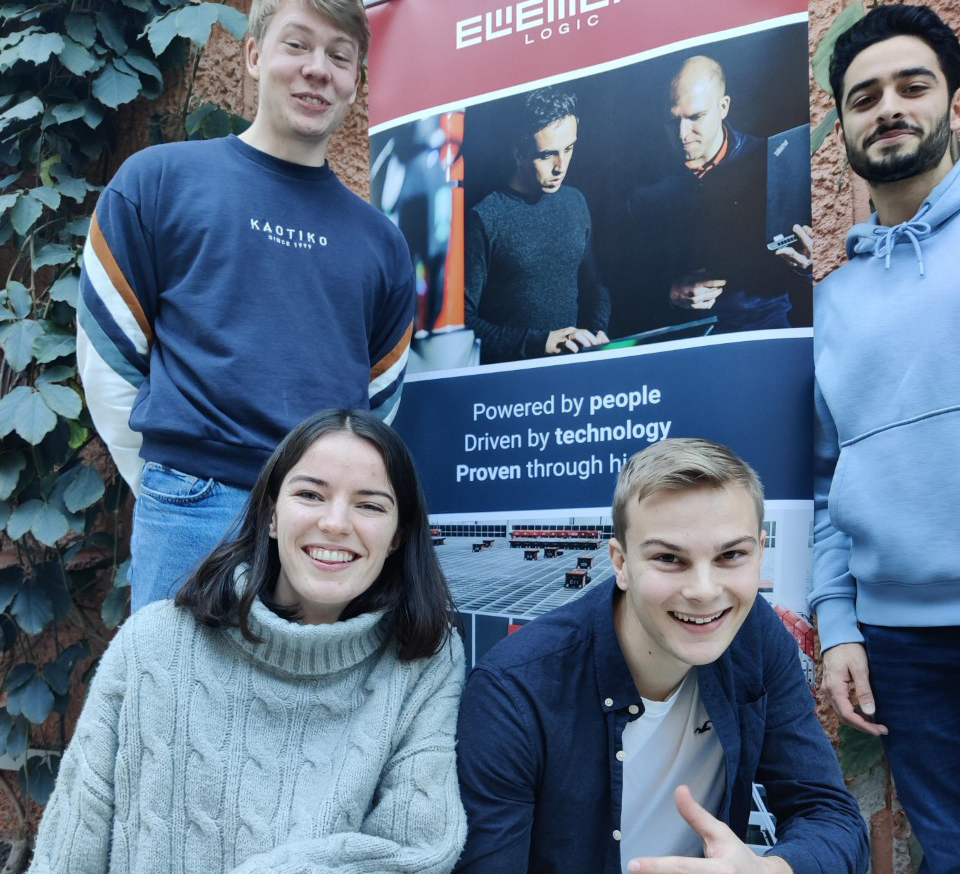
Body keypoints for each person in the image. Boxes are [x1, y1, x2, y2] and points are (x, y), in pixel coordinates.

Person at [76, 0, 415, 610]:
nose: (318, 69)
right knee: (171, 709)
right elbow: (107, 358)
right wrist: (170, 476)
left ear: (355, 82)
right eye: (297, 45)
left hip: (324, 532)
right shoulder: (156, 183)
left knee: (309, 710)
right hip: (191, 510)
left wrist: (322, 499)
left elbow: (378, 404)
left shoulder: (382, 244)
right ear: (255, 55)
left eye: (340, 56)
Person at [28, 410, 466, 874]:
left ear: (398, 535)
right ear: (272, 515)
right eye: (310, 494)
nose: (336, 523)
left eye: (370, 505)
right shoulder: (153, 643)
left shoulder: (423, 662)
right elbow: (70, 846)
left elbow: (417, 850)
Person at [455, 438, 868, 874]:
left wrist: (773, 871)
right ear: (620, 563)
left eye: (731, 555)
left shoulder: (756, 636)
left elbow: (829, 813)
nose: (705, 591)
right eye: (669, 558)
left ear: (759, 552)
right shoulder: (514, 691)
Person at [811, 3, 960, 874]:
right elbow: (827, 484)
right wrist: (838, 625)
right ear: (845, 128)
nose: (888, 107)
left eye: (913, 85)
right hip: (899, 640)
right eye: (863, 96)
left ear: (950, 103)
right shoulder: (830, 304)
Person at [608, 56, 810, 336]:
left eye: (695, 117)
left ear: (723, 106)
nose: (681, 134)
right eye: (672, 120)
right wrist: (668, 293)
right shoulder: (639, 184)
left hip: (761, 325)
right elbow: (618, 275)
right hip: (674, 332)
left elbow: (805, 268)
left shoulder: (769, 162)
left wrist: (807, 265)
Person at [463, 87, 610, 364]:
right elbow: (464, 323)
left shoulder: (575, 202)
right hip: (512, 389)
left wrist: (598, 332)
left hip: (574, 373)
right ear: (519, 154)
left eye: (569, 149)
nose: (561, 166)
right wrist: (538, 342)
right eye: (547, 155)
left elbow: (594, 285)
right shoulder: (486, 216)